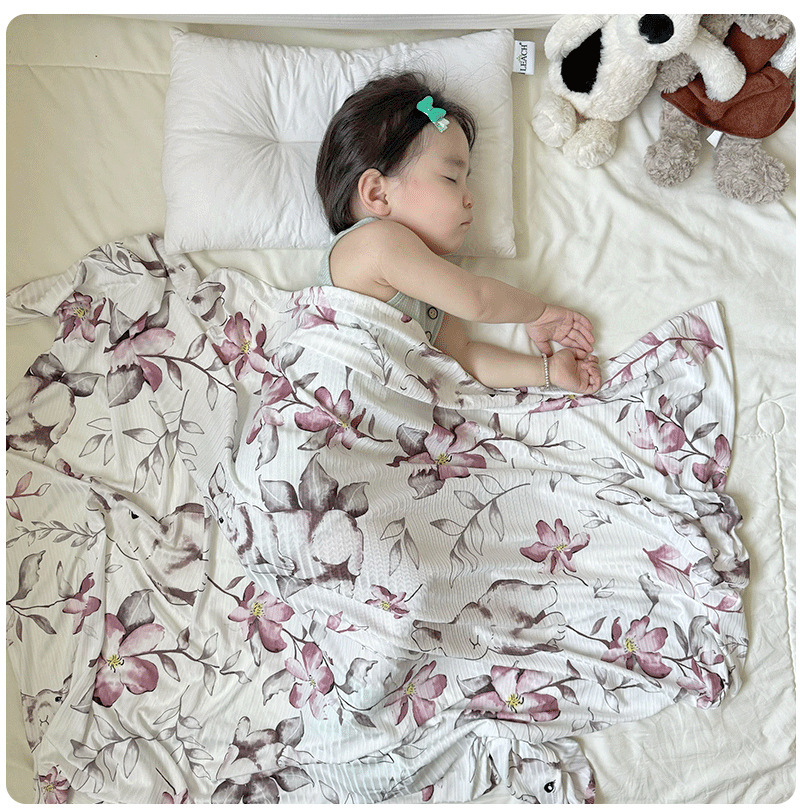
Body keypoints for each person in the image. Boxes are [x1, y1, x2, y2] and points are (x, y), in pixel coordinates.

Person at [315, 72, 601, 394]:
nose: (470, 198)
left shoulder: (427, 293)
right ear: (378, 194)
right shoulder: (373, 243)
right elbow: (478, 301)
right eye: (451, 178)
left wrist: (548, 370)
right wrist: (540, 312)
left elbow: (465, 361)